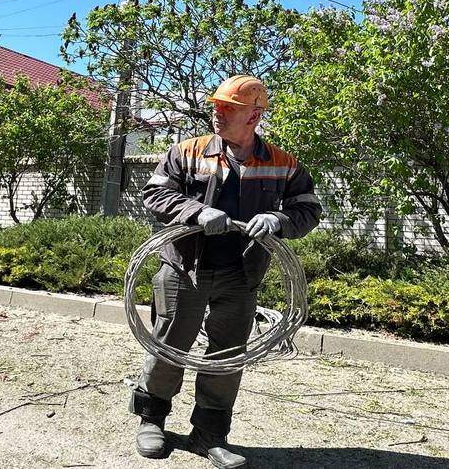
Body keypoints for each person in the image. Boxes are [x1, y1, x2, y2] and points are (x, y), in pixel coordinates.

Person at [130, 75, 323, 469]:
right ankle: (152, 421)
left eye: (228, 108)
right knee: (169, 345)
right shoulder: (187, 151)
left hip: (242, 273)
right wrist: (196, 211)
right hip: (184, 267)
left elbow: (308, 209)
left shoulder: (282, 163)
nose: (217, 113)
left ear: (254, 115)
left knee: (228, 356)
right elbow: (154, 193)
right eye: (216, 106)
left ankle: (210, 435)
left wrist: (277, 219)